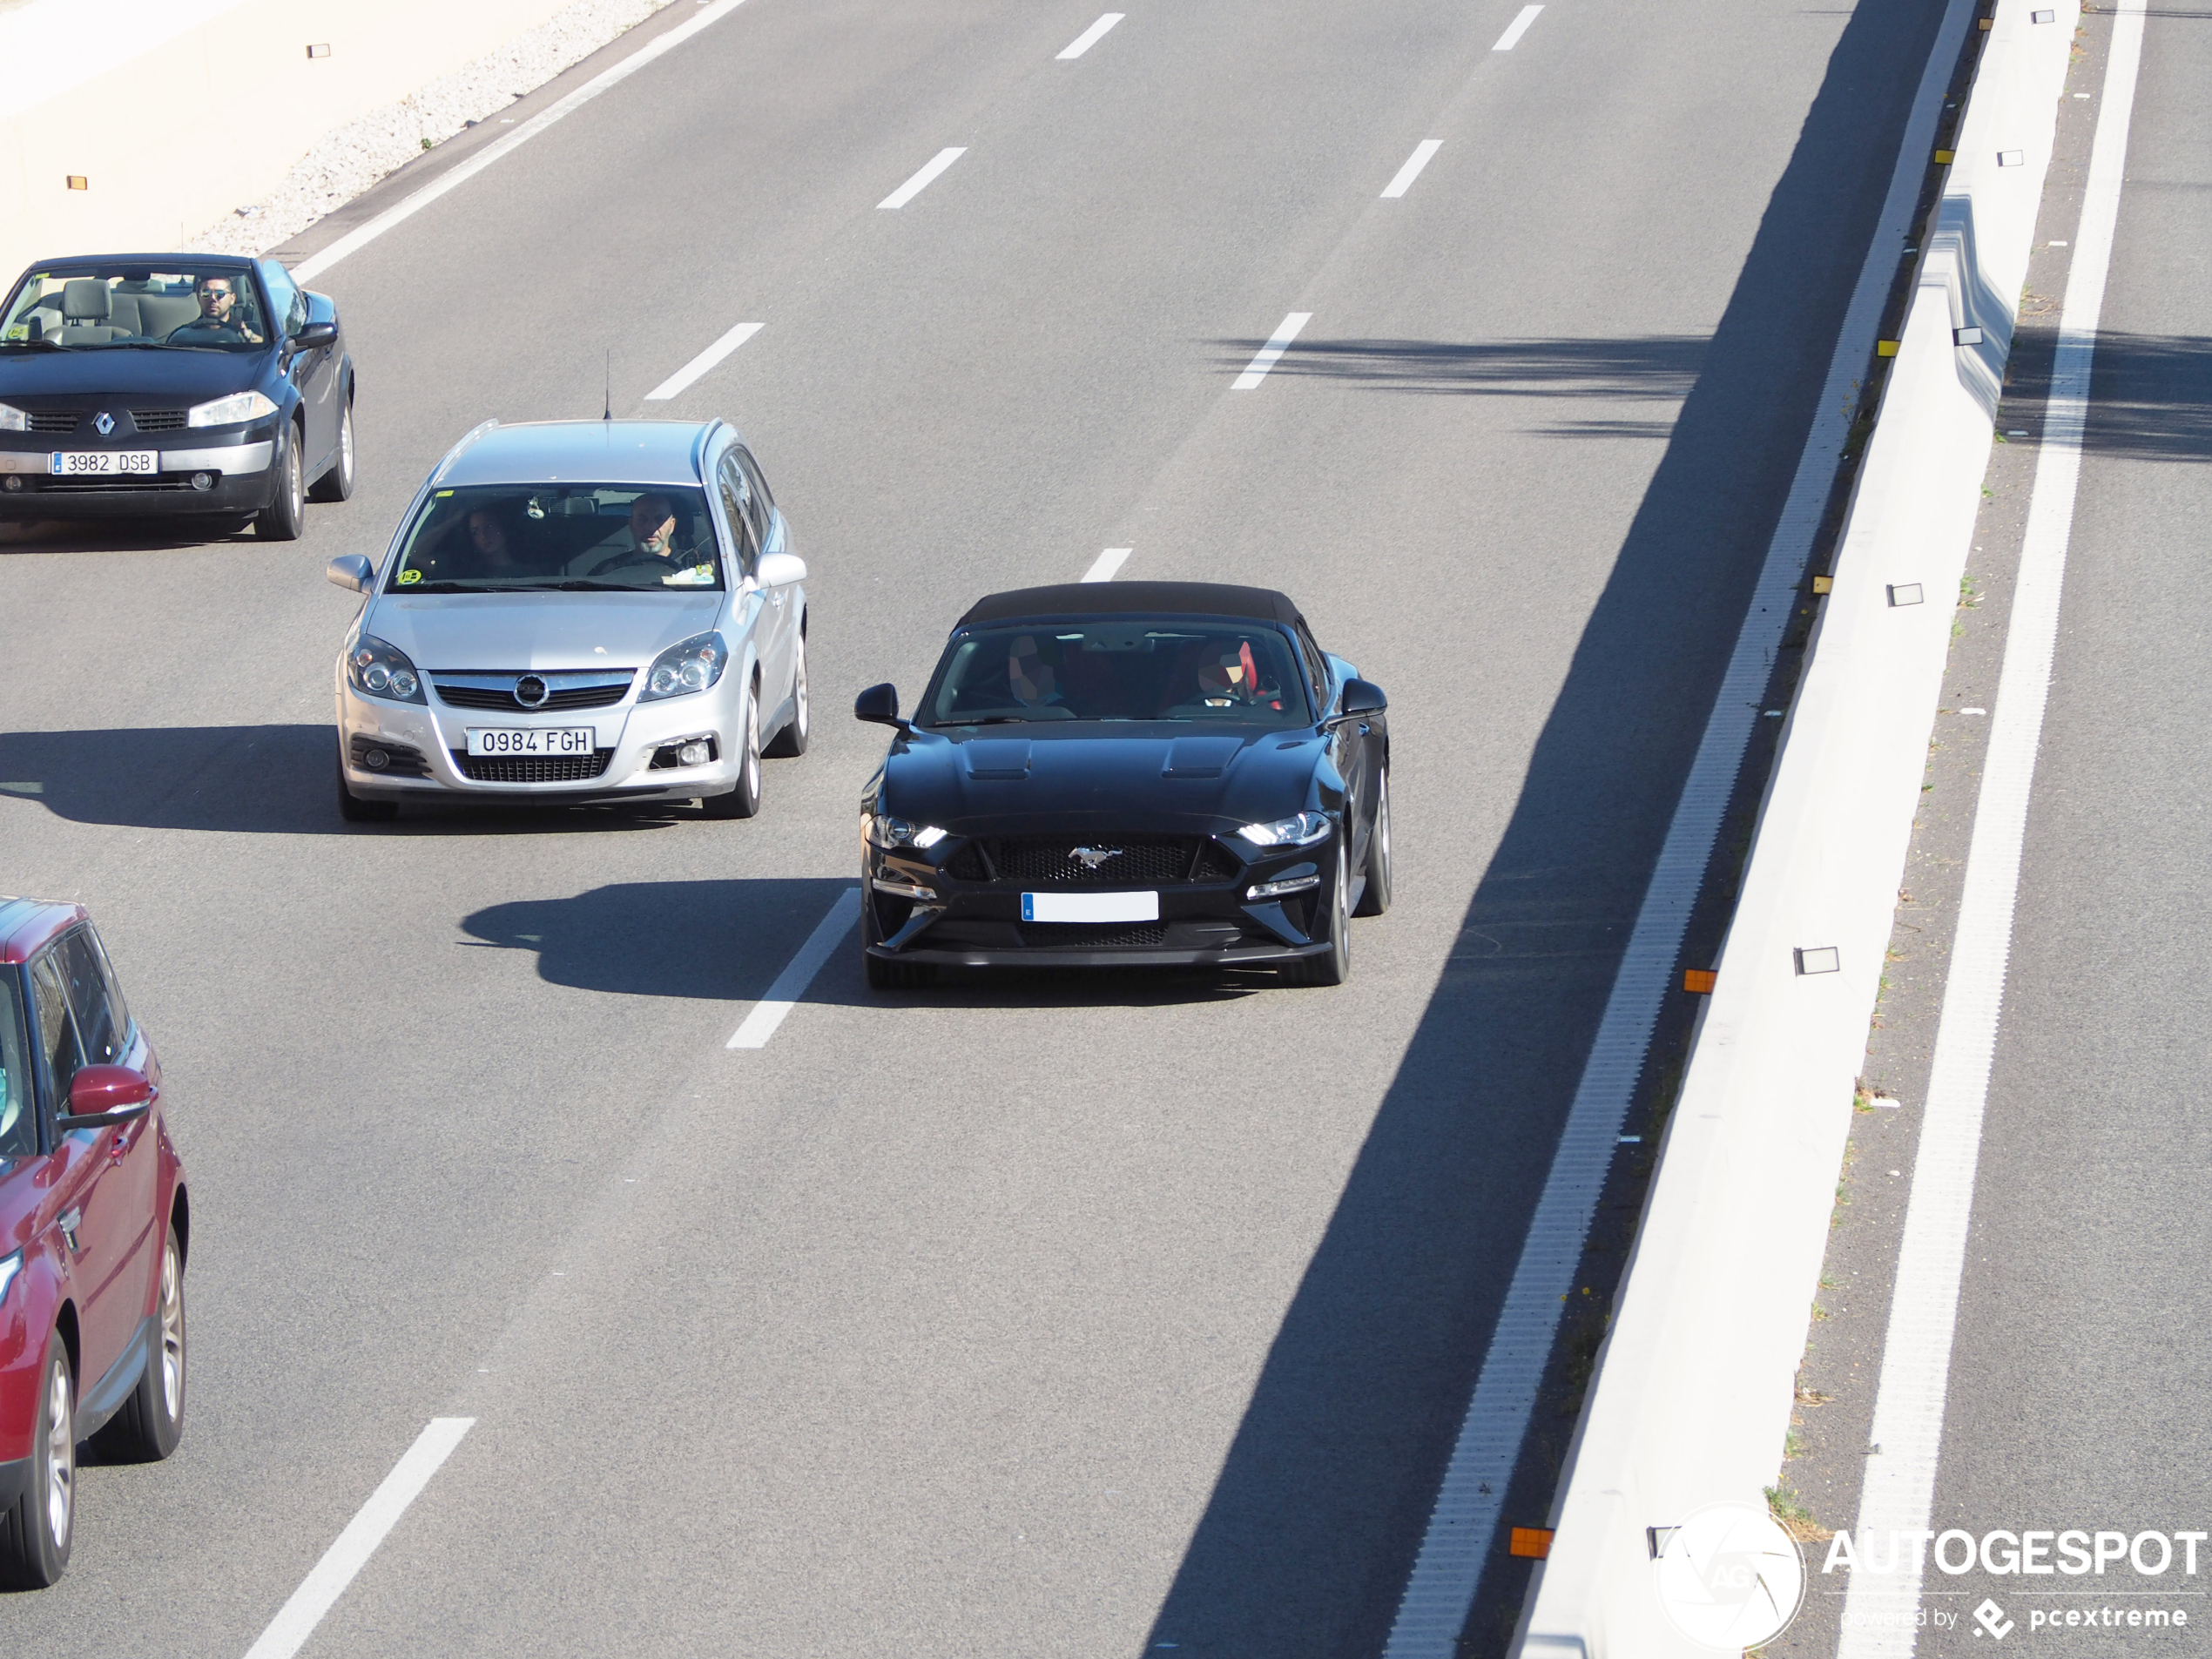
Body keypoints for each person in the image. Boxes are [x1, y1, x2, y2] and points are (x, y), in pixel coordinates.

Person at [589, 494, 714, 584]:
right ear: (631, 525)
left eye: (659, 519)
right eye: (643, 519)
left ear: (672, 525)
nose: (651, 527)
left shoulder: (695, 561)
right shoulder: (608, 569)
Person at [165, 273, 264, 345]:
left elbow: (270, 350)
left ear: (232, 299)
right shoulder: (185, 334)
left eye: (220, 294)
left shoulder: (253, 329)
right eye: (206, 293)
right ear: (198, 298)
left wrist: (247, 335)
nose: (212, 298)